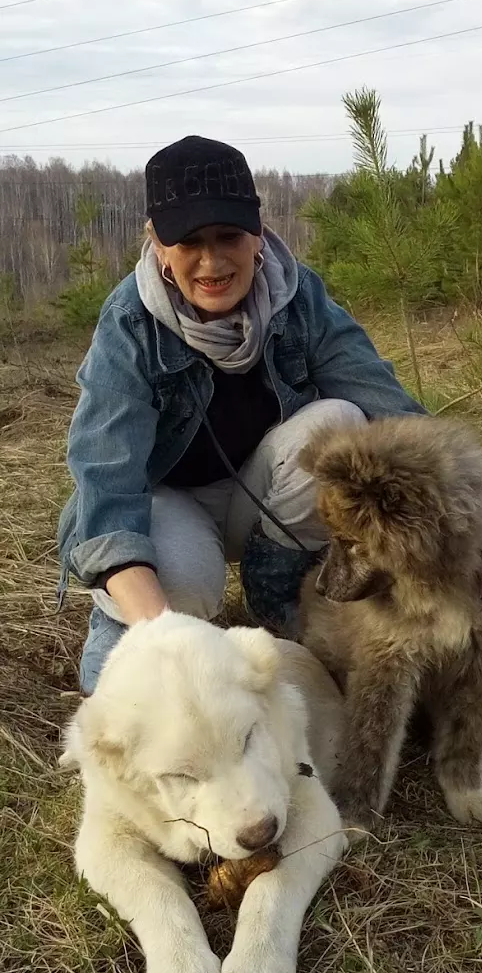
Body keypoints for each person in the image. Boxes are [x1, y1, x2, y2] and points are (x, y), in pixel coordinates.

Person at [57, 135, 425, 695]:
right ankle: (124, 636)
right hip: (164, 502)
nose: (211, 262)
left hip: (262, 498)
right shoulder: (128, 326)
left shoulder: (301, 299)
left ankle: (281, 598)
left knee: (339, 424)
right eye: (188, 241)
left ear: (258, 233)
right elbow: (107, 487)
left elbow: (391, 412)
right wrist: (167, 643)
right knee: (177, 600)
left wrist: (467, 513)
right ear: (158, 243)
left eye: (228, 236)